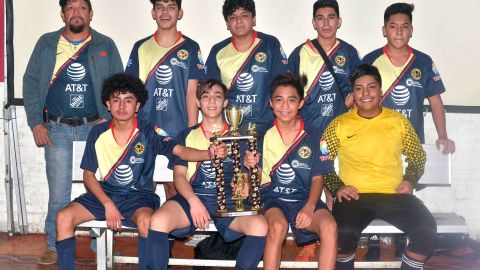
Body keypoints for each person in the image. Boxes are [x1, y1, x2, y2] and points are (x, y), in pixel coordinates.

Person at [54, 74, 225, 270]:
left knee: (147, 222)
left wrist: (208, 153)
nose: (121, 106)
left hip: (139, 197)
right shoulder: (98, 132)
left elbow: (181, 151)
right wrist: (108, 204)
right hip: (105, 194)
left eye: (128, 100)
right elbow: (89, 176)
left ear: (137, 106)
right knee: (63, 218)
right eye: (116, 100)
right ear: (108, 104)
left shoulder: (149, 131)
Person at [22, 0, 123, 264]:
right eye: (70, 8)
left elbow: (117, 85)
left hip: (95, 129)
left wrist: (110, 122)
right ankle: (55, 244)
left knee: (98, 189)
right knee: (59, 193)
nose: (76, 12)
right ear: (63, 14)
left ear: (90, 14)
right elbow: (30, 82)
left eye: (81, 7)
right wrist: (36, 123)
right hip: (56, 129)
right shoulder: (47, 43)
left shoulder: (105, 45)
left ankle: (97, 243)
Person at [323, 64, 436, 270]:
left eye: (371, 87)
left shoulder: (398, 121)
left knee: (426, 230)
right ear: (353, 94)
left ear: (381, 91)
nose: (366, 93)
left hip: (394, 195)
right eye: (359, 88)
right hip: (354, 197)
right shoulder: (339, 124)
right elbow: (321, 161)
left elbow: (417, 155)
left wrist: (409, 179)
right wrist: (337, 187)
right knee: (343, 233)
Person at [146, 79, 267, 270]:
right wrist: (193, 201)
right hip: (193, 196)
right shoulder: (186, 135)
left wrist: (245, 185)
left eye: (218, 96)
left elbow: (246, 174)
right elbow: (179, 176)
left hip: (228, 200)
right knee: (158, 221)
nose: (212, 101)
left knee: (260, 225)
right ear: (197, 102)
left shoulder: (240, 135)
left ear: (225, 102)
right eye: (206, 96)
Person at [287, 0, 360, 259]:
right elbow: (291, 90)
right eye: (321, 17)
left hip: (339, 130)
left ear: (339, 21)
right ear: (314, 22)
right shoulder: (300, 53)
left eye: (331, 17)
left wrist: (343, 110)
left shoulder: (349, 53)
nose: (326, 22)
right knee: (311, 182)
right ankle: (313, 237)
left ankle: (330, 241)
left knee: (333, 184)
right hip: (308, 130)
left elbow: (357, 89)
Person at [244, 72, 337, 270]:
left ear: (301, 103)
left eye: (291, 100)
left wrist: (310, 206)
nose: (285, 106)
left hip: (304, 198)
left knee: (329, 226)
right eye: (279, 100)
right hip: (272, 198)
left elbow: (318, 177)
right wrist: (250, 166)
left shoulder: (315, 134)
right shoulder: (260, 134)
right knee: (277, 226)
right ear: (271, 103)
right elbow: (255, 176)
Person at [125, 0, 206, 198]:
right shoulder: (141, 47)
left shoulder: (191, 47)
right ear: (153, 12)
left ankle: (174, 229)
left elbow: (191, 92)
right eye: (160, 7)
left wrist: (191, 132)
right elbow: (131, 91)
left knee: (175, 190)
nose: (165, 12)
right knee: (143, 191)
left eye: (171, 7)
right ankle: (148, 230)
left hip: (177, 130)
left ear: (180, 13)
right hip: (145, 130)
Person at [362, 2, 455, 154]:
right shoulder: (369, 60)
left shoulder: (423, 62)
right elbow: (358, 101)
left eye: (404, 27)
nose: (399, 32)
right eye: (393, 26)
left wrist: (443, 135)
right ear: (384, 30)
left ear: (411, 30)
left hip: (412, 143)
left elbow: (435, 101)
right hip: (376, 143)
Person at [205, 0, 288, 135]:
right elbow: (209, 92)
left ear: (253, 19)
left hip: (269, 127)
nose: (238, 21)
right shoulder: (218, 51)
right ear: (227, 23)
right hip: (231, 130)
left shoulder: (269, 44)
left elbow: (283, 85)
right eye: (233, 17)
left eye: (244, 16)